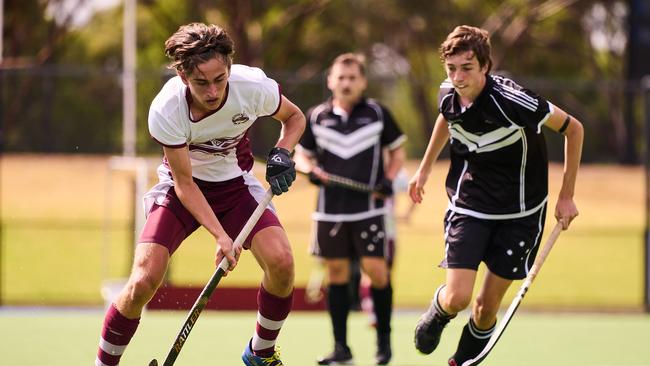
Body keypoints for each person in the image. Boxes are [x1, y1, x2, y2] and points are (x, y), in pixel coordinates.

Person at [94, 23, 305, 366]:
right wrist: (222, 237)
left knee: (282, 263)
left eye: (220, 79)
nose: (213, 91)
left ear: (230, 68)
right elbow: (185, 184)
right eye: (201, 82)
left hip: (236, 188)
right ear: (182, 75)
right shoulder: (167, 110)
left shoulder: (251, 87)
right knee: (144, 279)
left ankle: (260, 352)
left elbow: (294, 118)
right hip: (182, 191)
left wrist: (282, 153)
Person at [409, 25, 583, 366]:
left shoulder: (514, 101)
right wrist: (425, 168)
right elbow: (447, 117)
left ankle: (461, 361)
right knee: (458, 297)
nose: (458, 78)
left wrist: (567, 196)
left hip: (521, 213)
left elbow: (574, 129)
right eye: (452, 69)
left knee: (486, 307)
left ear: (485, 67)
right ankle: (440, 310)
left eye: (467, 68)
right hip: (470, 204)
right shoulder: (448, 92)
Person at [294, 53, 407, 365]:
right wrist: (311, 171)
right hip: (329, 211)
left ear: (363, 82)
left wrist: (388, 178)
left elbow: (397, 151)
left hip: (368, 209)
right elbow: (302, 157)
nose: (346, 83)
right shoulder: (316, 116)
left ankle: (384, 345)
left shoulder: (377, 114)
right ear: (330, 81)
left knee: (377, 271)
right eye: (340, 77)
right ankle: (341, 348)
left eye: (352, 77)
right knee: (336, 274)